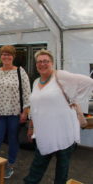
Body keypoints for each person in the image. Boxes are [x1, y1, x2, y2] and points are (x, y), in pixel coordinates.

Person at [24, 50, 93, 184]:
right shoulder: (36, 81)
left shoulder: (60, 76)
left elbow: (88, 82)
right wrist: (31, 127)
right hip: (44, 132)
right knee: (37, 166)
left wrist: (74, 97)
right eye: (39, 61)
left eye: (46, 61)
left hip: (64, 132)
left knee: (62, 168)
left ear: (52, 63)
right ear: (36, 64)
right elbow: (35, 107)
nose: (42, 64)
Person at [0, 45, 31, 179]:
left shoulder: (20, 72)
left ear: (13, 56)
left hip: (14, 114)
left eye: (9, 54)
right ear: (0, 56)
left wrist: (25, 112)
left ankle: (10, 165)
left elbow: (27, 94)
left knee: (13, 140)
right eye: (3, 54)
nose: (6, 57)